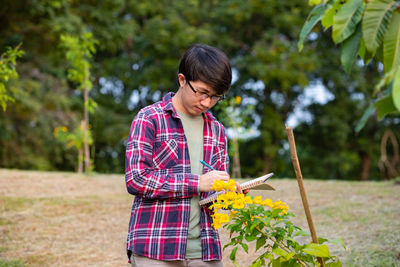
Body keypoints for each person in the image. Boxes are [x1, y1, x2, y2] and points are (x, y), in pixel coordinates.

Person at [125, 44, 244, 267]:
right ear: (182, 80)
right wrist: (197, 182)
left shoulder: (217, 131)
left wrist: (231, 195)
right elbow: (136, 180)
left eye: (216, 96)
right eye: (202, 92)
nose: (207, 103)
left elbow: (213, 193)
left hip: (205, 250)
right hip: (156, 248)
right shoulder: (149, 119)